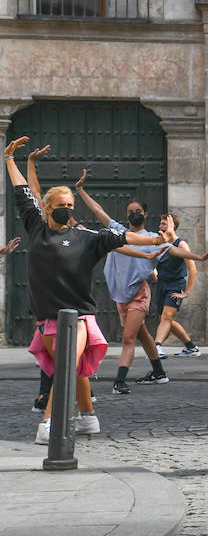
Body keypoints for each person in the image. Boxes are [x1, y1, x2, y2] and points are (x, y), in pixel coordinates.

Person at [5, 137, 172, 444]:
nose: (66, 209)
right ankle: (89, 419)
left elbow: (122, 239)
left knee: (67, 363)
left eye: (70, 205)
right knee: (74, 365)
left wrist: (157, 241)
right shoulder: (37, 228)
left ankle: (48, 422)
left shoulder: (86, 237)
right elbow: (24, 194)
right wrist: (11, 161)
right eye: (61, 205)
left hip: (78, 317)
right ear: (47, 208)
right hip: (46, 318)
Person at [73, 184, 175, 394]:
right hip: (121, 295)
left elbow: (176, 251)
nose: (134, 215)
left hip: (138, 293)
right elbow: (98, 211)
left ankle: (119, 381)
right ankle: (159, 372)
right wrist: (81, 190)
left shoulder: (152, 237)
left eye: (137, 211)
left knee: (128, 338)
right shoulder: (118, 232)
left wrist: (198, 258)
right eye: (130, 212)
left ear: (145, 214)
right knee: (143, 333)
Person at [151, 213, 208, 359]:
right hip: (162, 284)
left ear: (172, 226)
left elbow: (192, 269)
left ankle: (157, 346)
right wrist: (155, 272)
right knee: (166, 319)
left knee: (167, 317)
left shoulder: (181, 244)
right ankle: (191, 347)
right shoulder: (159, 242)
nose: (161, 226)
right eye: (160, 223)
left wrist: (186, 292)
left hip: (175, 284)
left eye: (164, 224)